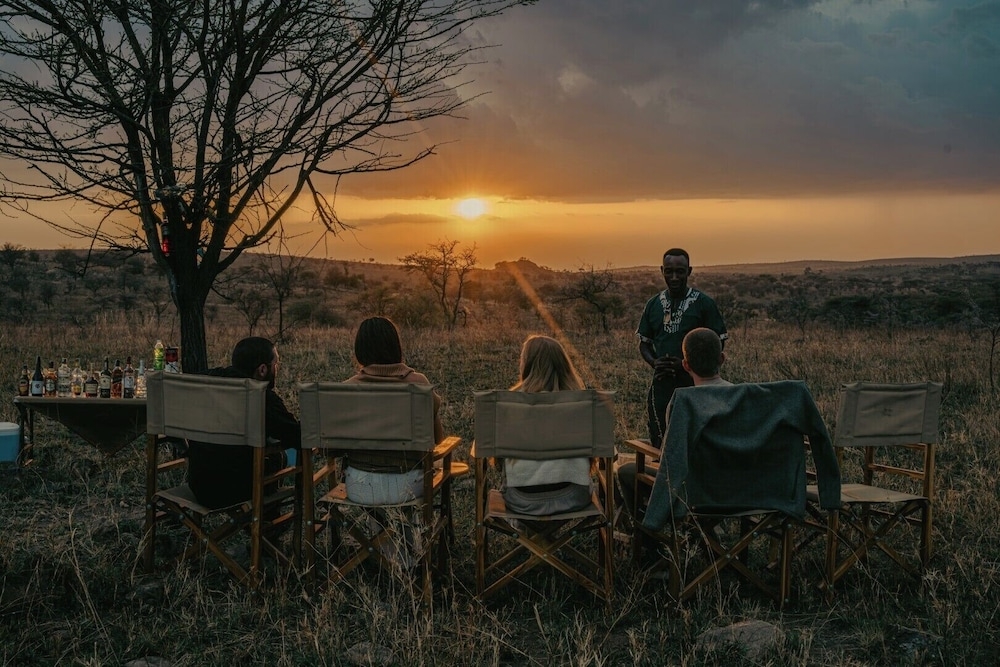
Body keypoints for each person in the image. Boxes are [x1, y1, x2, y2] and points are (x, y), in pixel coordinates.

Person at [618, 327, 730, 519]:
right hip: (735, 486)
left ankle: (646, 531)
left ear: (686, 365)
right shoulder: (742, 395)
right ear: (721, 358)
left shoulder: (683, 402)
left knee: (625, 470)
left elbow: (672, 458)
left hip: (695, 492)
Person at [186, 336, 301, 509]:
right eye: (276, 364)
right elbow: (297, 436)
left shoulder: (205, 382)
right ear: (263, 369)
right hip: (241, 490)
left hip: (200, 486)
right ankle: (267, 526)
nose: (277, 369)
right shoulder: (262, 397)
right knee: (282, 456)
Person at [342, 316, 445, 504]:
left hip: (358, 487)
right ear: (395, 346)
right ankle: (405, 532)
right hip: (407, 486)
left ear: (360, 349)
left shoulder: (345, 389)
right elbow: (438, 440)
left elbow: (334, 447)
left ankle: (380, 532)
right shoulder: (419, 384)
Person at [637, 248, 728, 449]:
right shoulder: (653, 304)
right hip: (662, 383)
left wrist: (689, 364)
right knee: (662, 437)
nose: (674, 277)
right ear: (662, 270)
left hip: (697, 384)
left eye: (680, 271)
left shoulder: (703, 303)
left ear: (689, 271)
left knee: (698, 440)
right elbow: (644, 343)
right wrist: (654, 362)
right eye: (669, 271)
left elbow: (717, 342)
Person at [502, 335, 594, 515]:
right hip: (574, 497)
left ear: (526, 364)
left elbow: (498, 460)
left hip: (521, 500)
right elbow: (599, 455)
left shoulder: (508, 404)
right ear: (563, 365)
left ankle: (531, 540)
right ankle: (545, 540)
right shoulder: (584, 405)